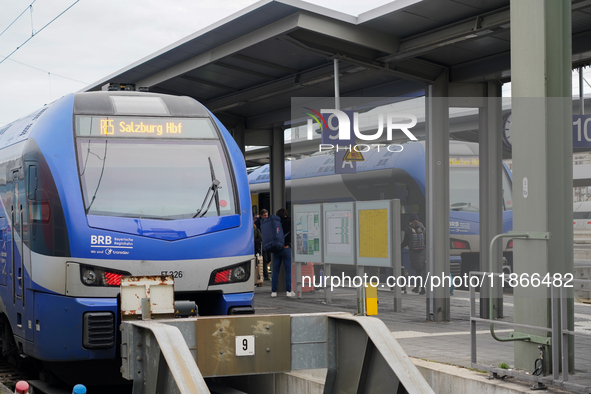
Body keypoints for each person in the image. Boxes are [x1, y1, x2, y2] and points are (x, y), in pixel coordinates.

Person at [401, 213, 427, 295]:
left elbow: (405, 242)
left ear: (411, 221)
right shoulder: (423, 229)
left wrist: (399, 247)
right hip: (423, 252)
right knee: (421, 271)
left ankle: (418, 287)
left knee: (418, 271)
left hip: (414, 252)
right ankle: (421, 288)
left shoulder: (409, 230)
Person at [270, 208, 293, 298]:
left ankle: (274, 292)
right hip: (286, 248)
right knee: (288, 271)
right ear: (286, 214)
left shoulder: (275, 223)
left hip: (277, 249)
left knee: (275, 271)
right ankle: (288, 291)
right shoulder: (290, 221)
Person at [255, 209, 270, 280]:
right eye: (264, 215)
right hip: (261, 243)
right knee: (264, 259)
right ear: (261, 215)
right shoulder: (258, 223)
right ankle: (264, 275)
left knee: (266, 258)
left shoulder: (266, 222)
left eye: (267, 215)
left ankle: (264, 274)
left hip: (265, 242)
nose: (266, 217)